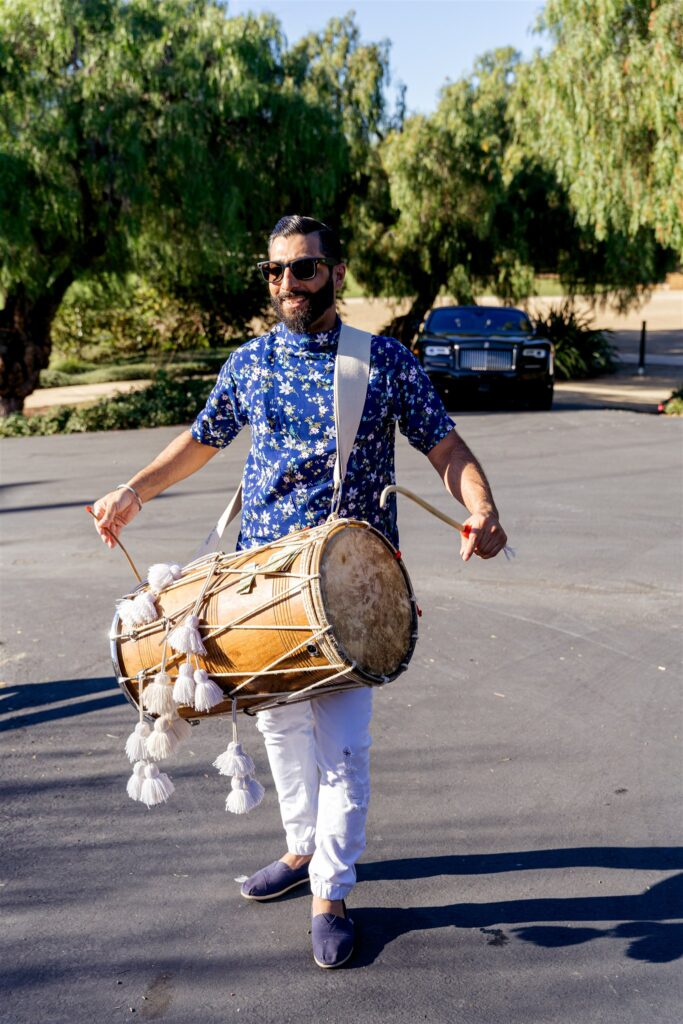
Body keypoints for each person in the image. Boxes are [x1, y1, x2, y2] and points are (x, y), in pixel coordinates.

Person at [93, 215, 508, 969]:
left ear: (336, 273)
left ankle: (331, 891)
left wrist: (481, 508)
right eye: (276, 270)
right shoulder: (250, 363)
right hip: (258, 588)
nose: (288, 283)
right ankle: (301, 847)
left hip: (353, 588)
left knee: (342, 749)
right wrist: (134, 490)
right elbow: (201, 439)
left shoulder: (382, 361)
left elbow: (444, 445)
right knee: (280, 733)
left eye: (304, 268)